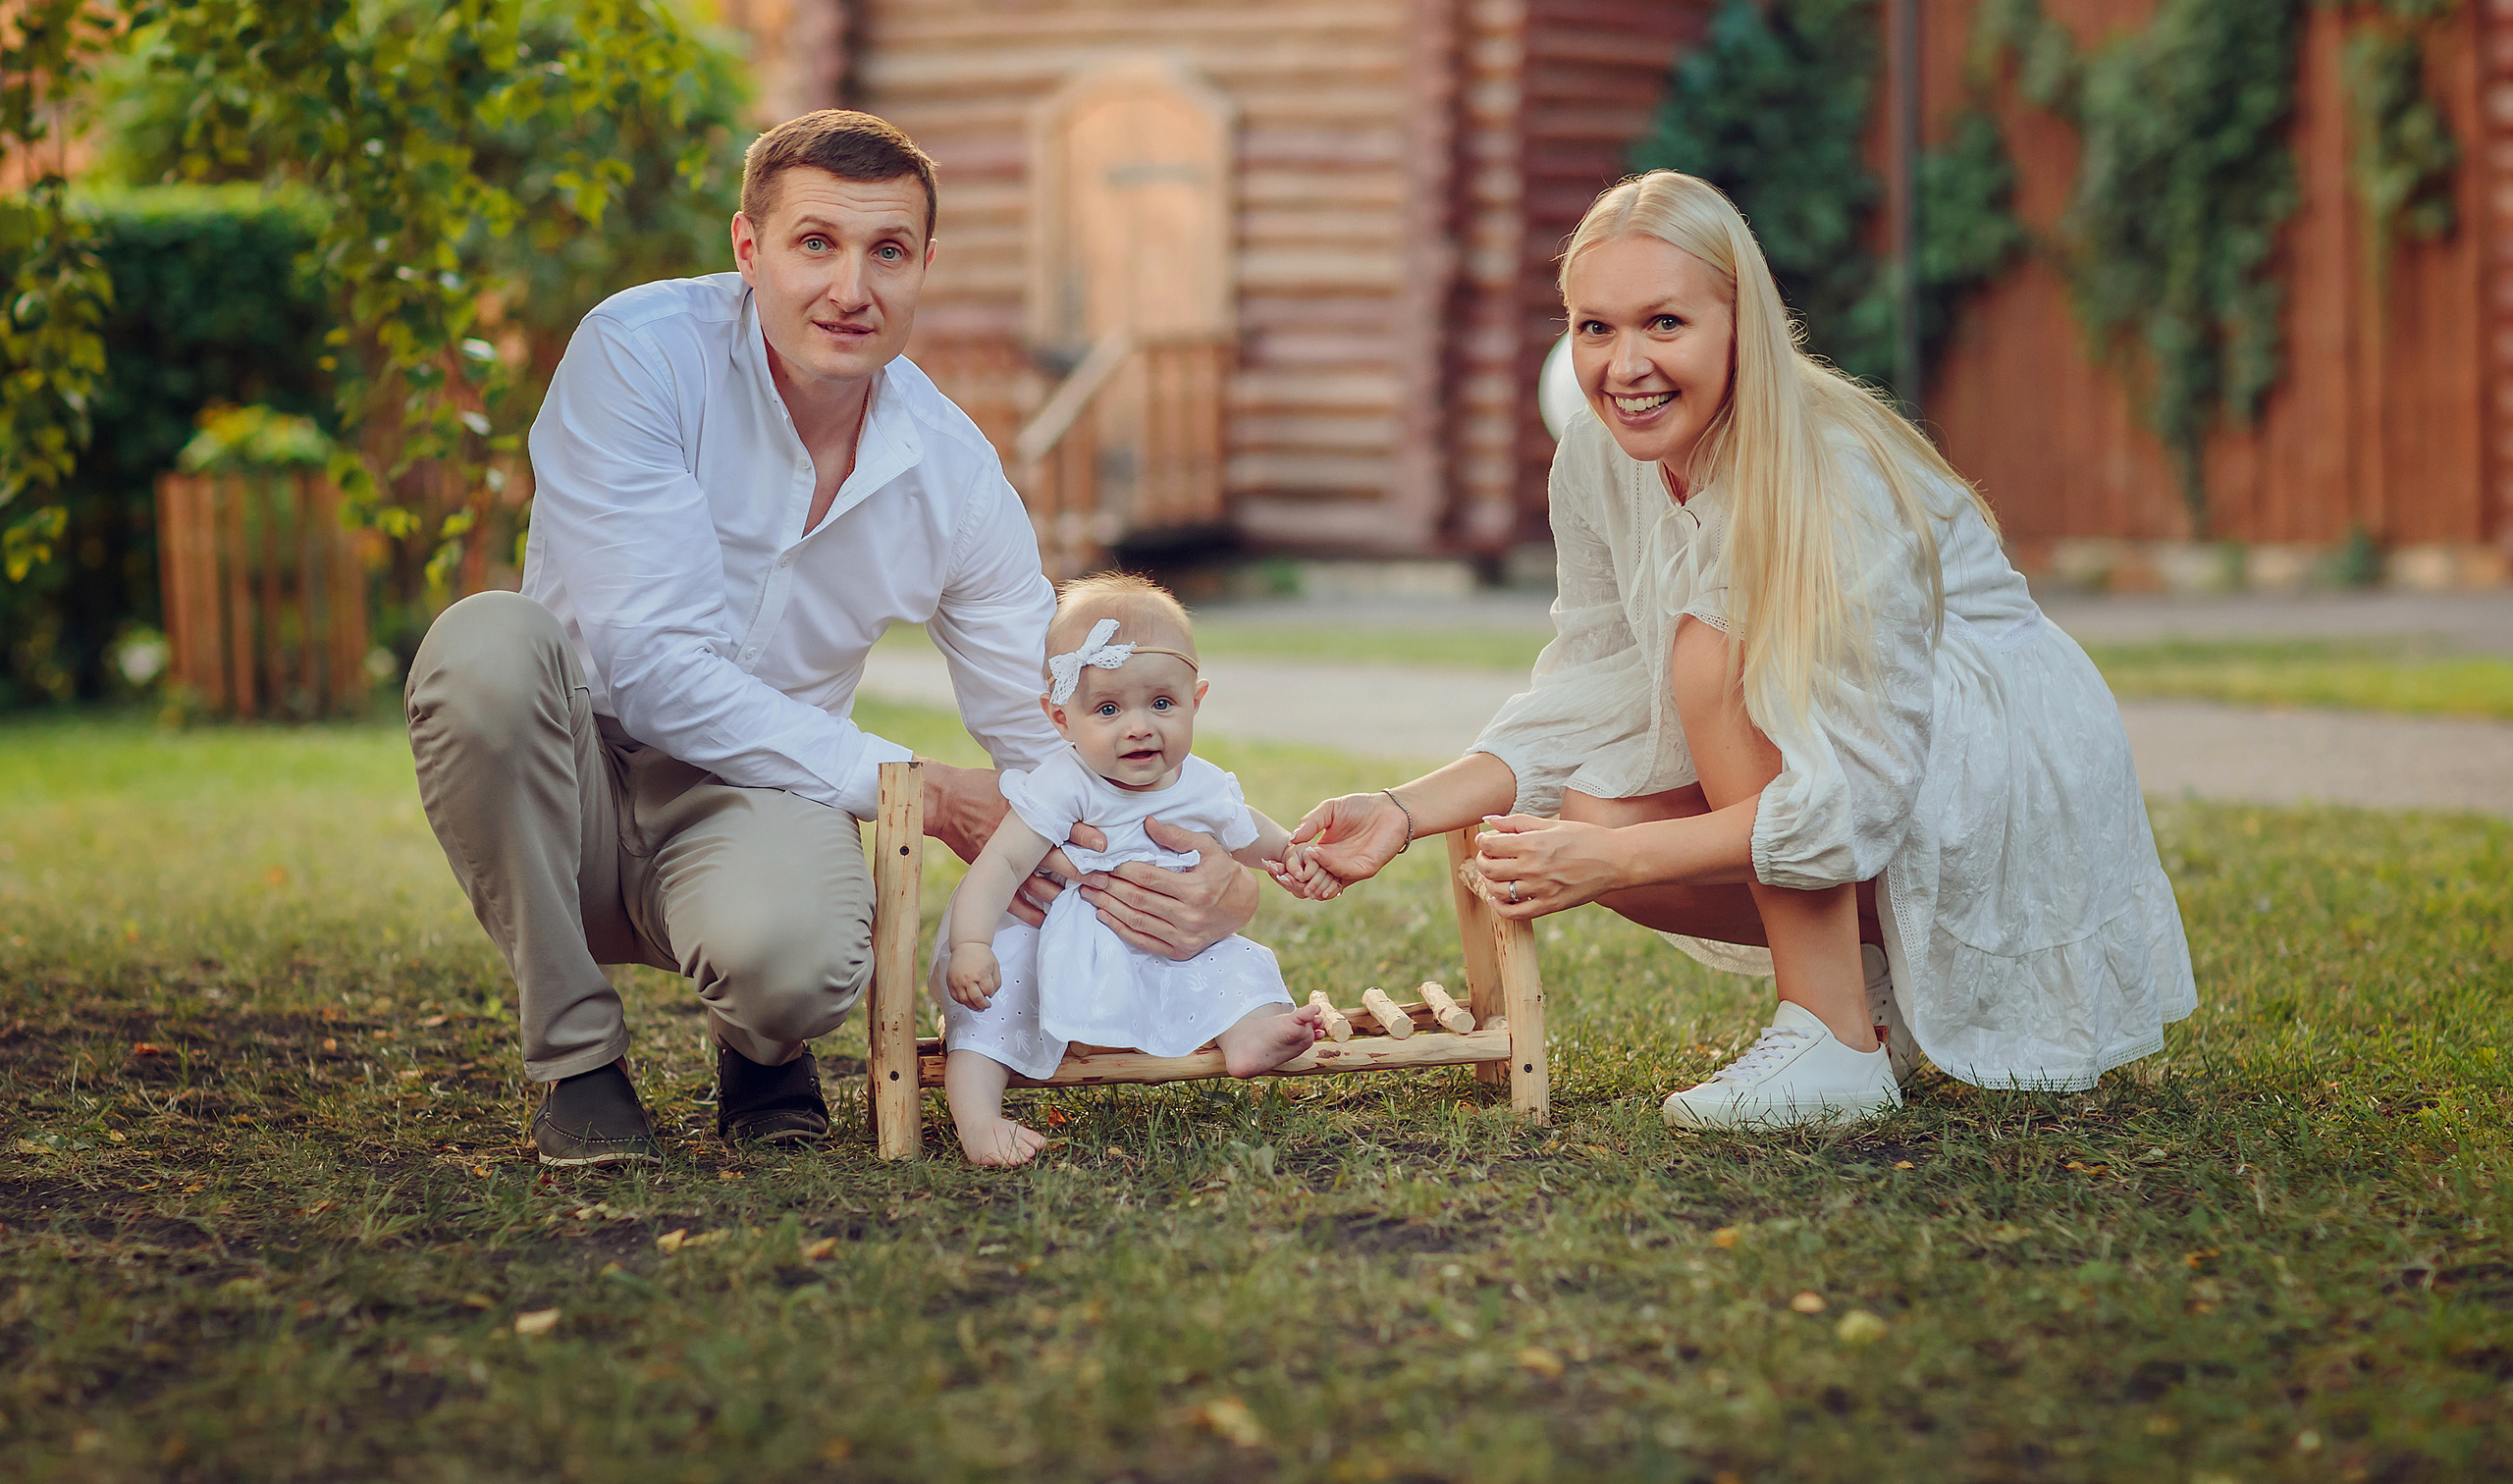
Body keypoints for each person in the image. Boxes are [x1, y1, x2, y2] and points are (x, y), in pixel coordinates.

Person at [403, 110, 1261, 1167]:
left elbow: (1051, 712)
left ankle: (761, 1047)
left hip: (755, 791)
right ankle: (576, 1063)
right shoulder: (639, 357)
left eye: (886, 252)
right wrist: (927, 791)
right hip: (565, 764)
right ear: (747, 249)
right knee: (483, 648)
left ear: (923, 268)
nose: (850, 289)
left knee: (799, 962)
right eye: (816, 243)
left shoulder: (948, 468)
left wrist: (1191, 854)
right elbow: (651, 669)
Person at [1289, 170, 2195, 1129]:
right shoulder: (1598, 455)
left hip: (1987, 749)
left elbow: (1859, 791)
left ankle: (1833, 1037)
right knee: (1599, 796)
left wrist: (1615, 864)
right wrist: (1400, 809)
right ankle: (1874, 985)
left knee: (1704, 662)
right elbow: (1596, 681)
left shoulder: (1821, 472)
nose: (1624, 364)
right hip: (1847, 754)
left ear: (1739, 323)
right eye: (1595, 328)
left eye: (1663, 324)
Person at [934, 574, 1334, 1166]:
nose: (1140, 726)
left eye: (1162, 704)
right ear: (1061, 718)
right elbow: (999, 865)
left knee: (1239, 961)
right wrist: (970, 944)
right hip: (1060, 937)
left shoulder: (1200, 781)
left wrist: (1289, 853)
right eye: (1109, 708)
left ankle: (1249, 1035)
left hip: (1156, 937)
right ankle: (980, 1119)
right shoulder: (1062, 783)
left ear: (1196, 700)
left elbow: (1243, 826)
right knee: (994, 1005)